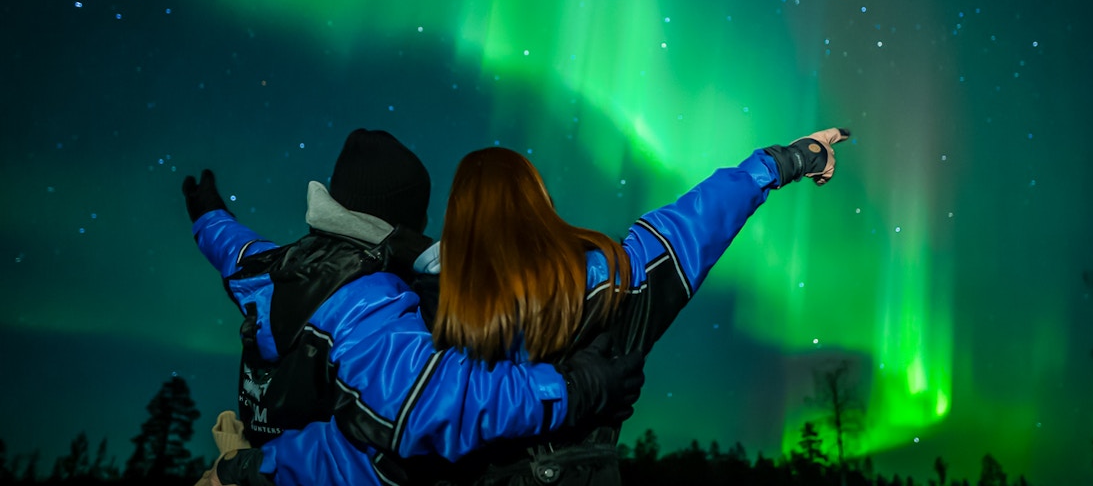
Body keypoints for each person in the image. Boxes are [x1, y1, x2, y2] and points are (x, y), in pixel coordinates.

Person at [211, 126, 851, 485]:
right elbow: (700, 216)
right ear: (539, 200)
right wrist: (786, 161)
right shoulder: (615, 279)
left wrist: (258, 469)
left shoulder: (421, 313)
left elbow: (369, 446)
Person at [184, 129, 646, 486]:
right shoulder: (373, 301)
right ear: (407, 220)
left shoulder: (271, 265)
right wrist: (573, 389)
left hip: (250, 457)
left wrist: (209, 216)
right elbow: (438, 404)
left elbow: (234, 249)